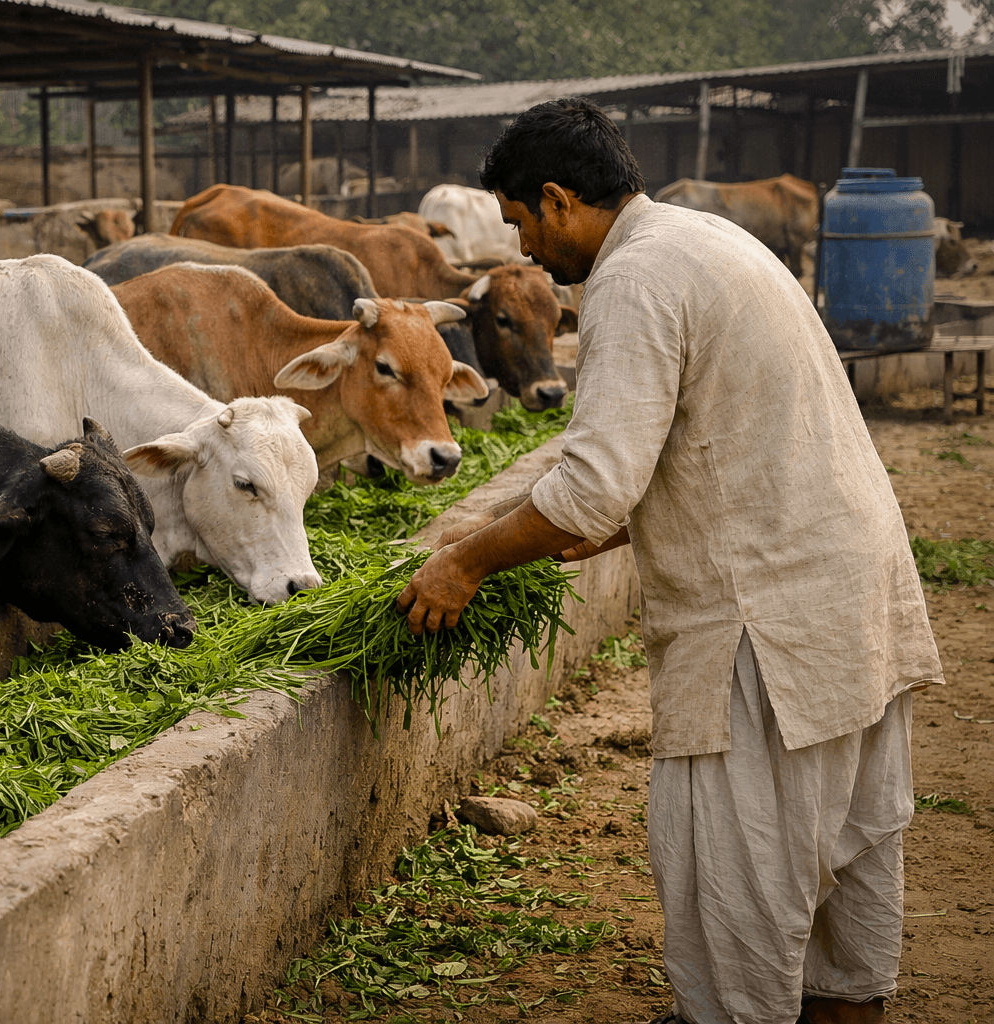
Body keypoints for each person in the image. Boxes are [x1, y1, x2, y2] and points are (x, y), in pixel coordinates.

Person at [395, 98, 942, 1024]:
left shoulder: (634, 279)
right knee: (845, 893)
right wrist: (518, 530)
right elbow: (672, 466)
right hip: (847, 596)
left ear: (561, 201)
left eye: (524, 222)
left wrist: (468, 563)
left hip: (763, 632)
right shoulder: (703, 240)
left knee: (738, 878)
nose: (526, 250)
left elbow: (598, 485)